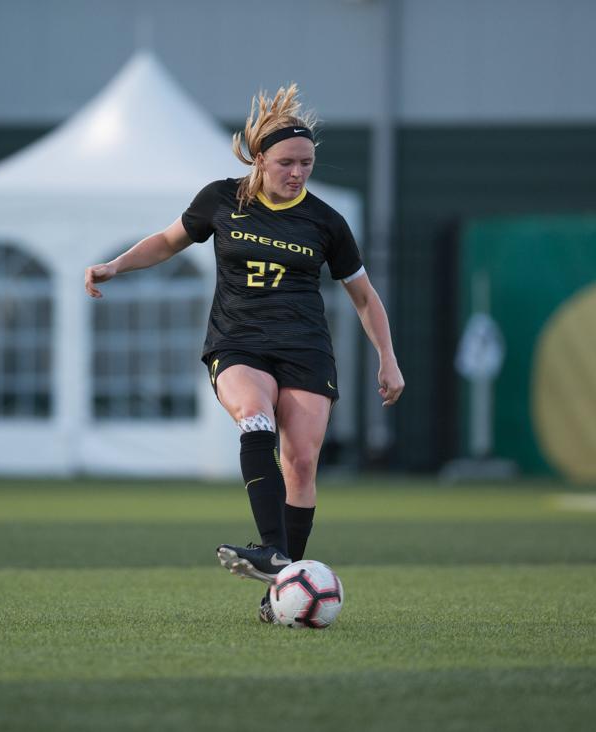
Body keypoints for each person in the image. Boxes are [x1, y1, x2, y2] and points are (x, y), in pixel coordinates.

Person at [85, 84, 404, 623]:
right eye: (287, 162)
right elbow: (166, 241)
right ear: (260, 159)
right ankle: (274, 553)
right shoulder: (221, 199)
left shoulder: (326, 221)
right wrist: (115, 266)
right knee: (254, 419)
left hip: (304, 347)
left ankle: (281, 586)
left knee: (301, 463)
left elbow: (364, 296)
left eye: (306, 163)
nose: (297, 173)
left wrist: (388, 359)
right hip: (238, 341)